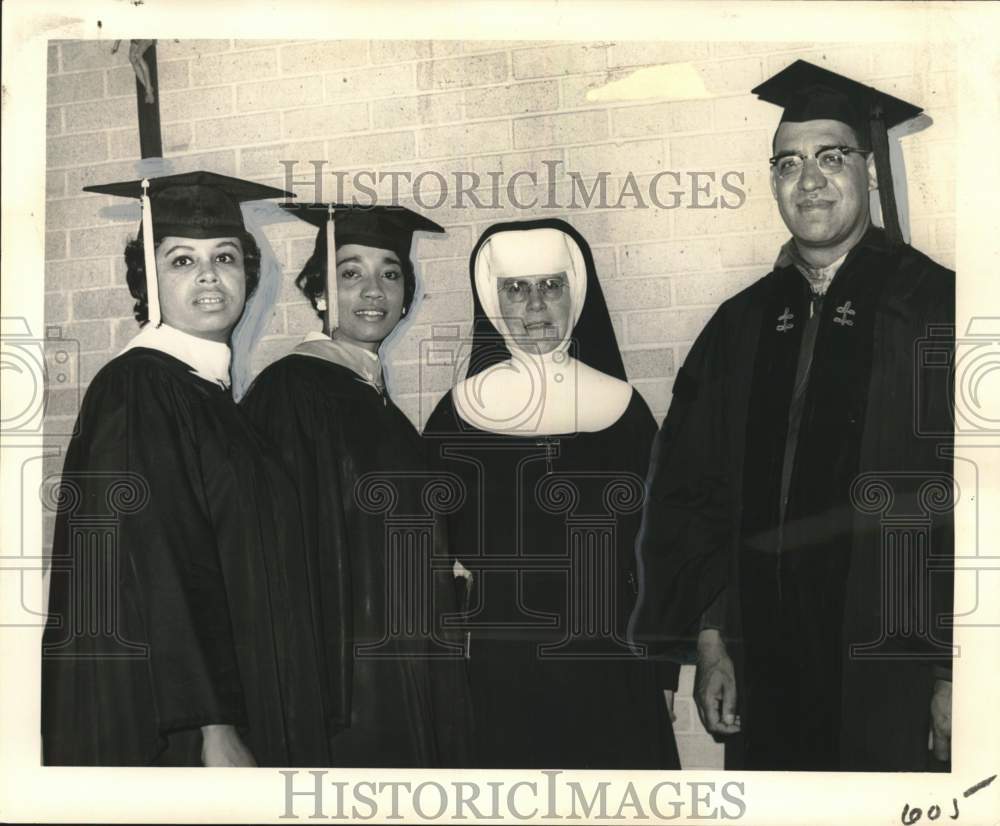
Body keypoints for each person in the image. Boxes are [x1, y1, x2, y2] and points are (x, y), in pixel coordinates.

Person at [629, 61, 954, 771]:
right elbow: (694, 491)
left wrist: (953, 675)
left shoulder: (935, 307)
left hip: (890, 663)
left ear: (868, 170)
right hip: (762, 659)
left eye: (831, 157)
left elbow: (974, 504)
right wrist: (712, 643)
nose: (809, 180)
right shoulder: (739, 325)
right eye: (789, 162)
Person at [42, 171, 330, 767]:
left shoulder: (206, 391)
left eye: (224, 257)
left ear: (247, 277)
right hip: (184, 724)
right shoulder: (140, 387)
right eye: (181, 261)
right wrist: (214, 726)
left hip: (233, 691)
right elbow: (157, 564)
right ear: (149, 282)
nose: (207, 275)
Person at [423, 218, 680, 769]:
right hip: (501, 665)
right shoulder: (458, 414)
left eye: (551, 286)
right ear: (493, 303)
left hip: (612, 658)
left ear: (576, 294)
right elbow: (431, 555)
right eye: (516, 288)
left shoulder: (623, 408)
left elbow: (663, 546)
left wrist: (661, 670)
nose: (535, 305)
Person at [240, 203, 472, 768]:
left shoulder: (370, 394)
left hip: (401, 658)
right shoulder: (293, 390)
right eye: (351, 272)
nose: (374, 290)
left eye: (390, 273)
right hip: (348, 678)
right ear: (319, 290)